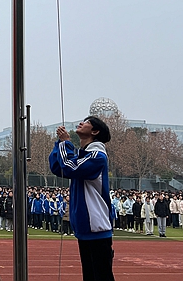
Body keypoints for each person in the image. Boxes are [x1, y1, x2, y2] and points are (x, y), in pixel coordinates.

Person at [49, 116, 115, 281]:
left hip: (97, 226)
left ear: (95, 131)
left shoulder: (98, 155)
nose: (81, 123)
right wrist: (59, 144)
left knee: (101, 277)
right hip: (86, 227)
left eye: (86, 122)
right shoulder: (82, 155)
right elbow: (57, 167)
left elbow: (69, 167)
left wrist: (65, 143)